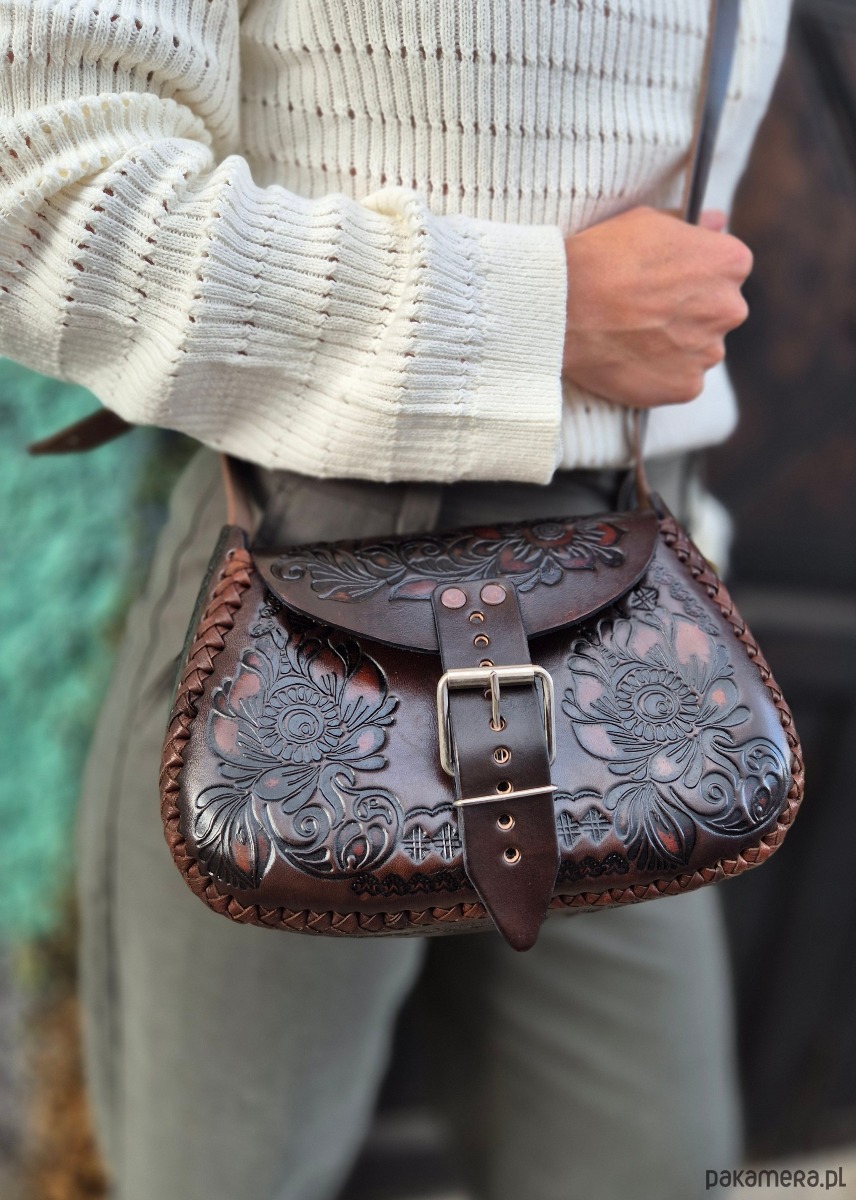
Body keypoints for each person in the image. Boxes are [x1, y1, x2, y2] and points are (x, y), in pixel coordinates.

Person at [0, 2, 791, 1197]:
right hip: (304, 591)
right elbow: (43, 204)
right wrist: (537, 312)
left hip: (628, 611)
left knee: (651, 1164)